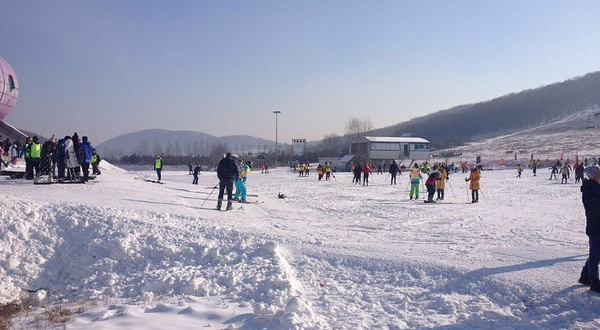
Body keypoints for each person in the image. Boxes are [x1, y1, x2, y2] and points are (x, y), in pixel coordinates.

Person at [578, 166, 600, 293]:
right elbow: (595, 209)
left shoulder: (596, 188)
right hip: (595, 226)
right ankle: (594, 282)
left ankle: (585, 277)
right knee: (595, 255)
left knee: (596, 254)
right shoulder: (590, 189)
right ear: (594, 176)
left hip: (597, 225)